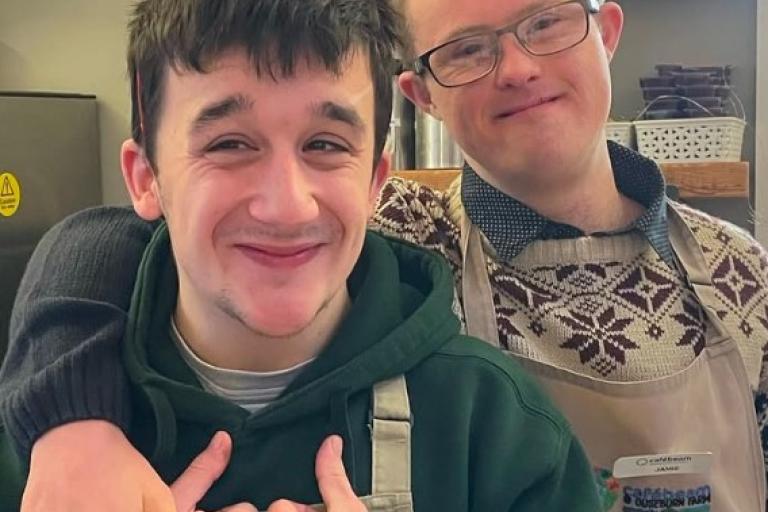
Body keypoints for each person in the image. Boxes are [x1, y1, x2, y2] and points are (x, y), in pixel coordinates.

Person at [2, 0, 766, 510]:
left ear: (607, 30)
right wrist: (71, 424)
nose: (518, 67)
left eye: (546, 22)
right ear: (421, 94)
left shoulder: (744, 274)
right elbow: (104, 240)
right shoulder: (406, 230)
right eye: (466, 50)